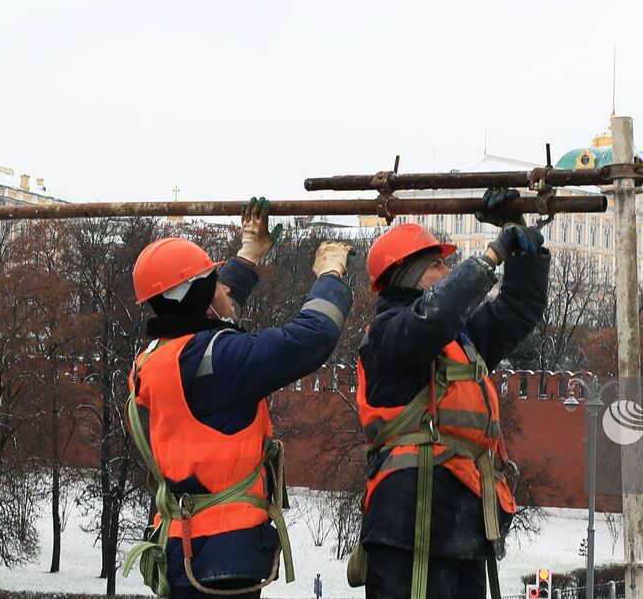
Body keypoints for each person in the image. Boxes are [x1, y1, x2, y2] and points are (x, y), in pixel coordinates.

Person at [124, 199, 355, 599]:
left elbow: (206, 310)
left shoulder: (155, 360)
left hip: (184, 543)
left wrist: (248, 256)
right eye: (213, 280)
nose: (224, 287)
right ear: (198, 296)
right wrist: (330, 276)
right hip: (226, 552)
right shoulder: (217, 362)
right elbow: (312, 338)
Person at [352, 189, 550, 599]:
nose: (447, 272)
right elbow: (434, 317)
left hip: (463, 520)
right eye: (437, 265)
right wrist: (492, 255)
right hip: (409, 521)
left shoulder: (462, 340)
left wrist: (521, 245)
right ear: (406, 275)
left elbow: (518, 309)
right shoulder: (387, 336)